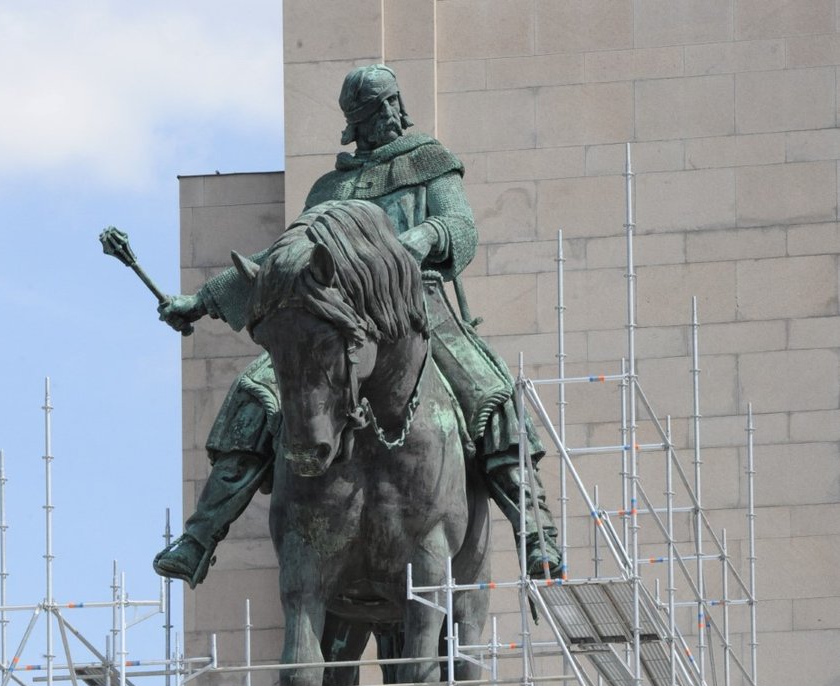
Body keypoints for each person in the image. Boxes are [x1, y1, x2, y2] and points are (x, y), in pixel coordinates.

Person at [153, 64, 562, 587]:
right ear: (355, 122)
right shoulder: (332, 187)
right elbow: (283, 258)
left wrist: (426, 236)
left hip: (416, 309)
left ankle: (536, 530)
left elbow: (461, 226)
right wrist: (202, 300)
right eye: (373, 110)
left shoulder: (430, 163)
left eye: (391, 103)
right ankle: (201, 535)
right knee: (255, 392)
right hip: (336, 317)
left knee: (492, 389)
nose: (387, 115)